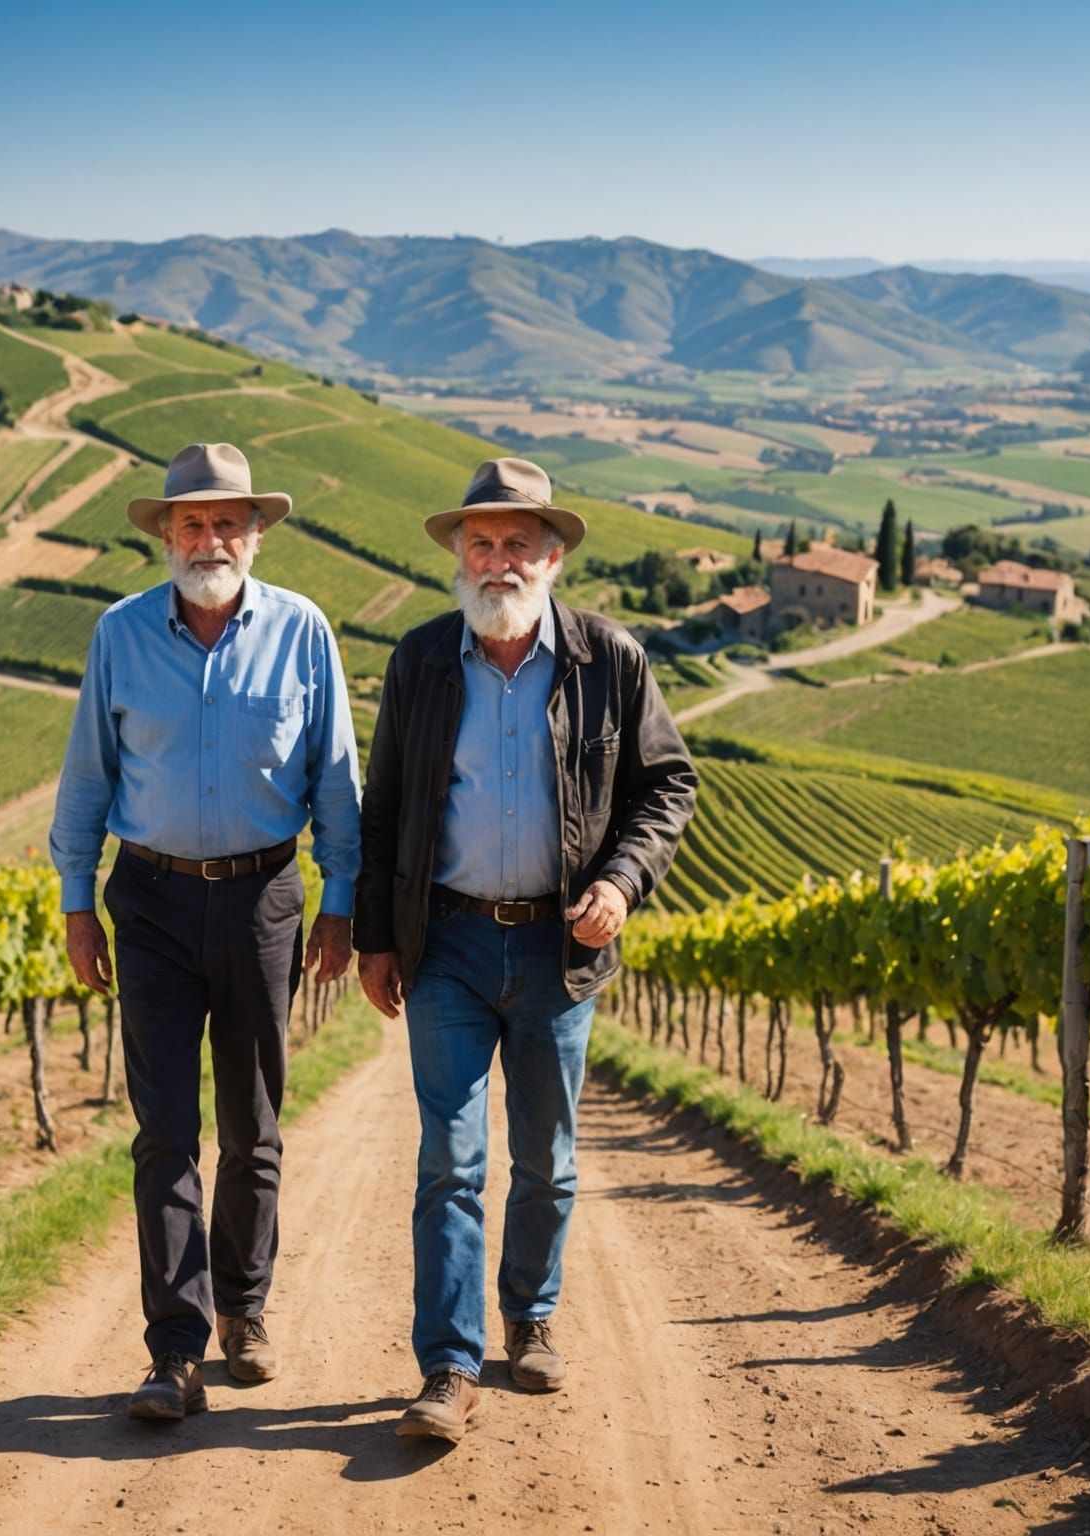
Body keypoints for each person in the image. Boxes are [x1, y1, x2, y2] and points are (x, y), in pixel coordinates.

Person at [355, 457, 697, 1443]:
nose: (497, 560)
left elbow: (667, 789)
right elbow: (385, 813)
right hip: (449, 944)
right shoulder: (420, 662)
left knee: (546, 1160)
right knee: (449, 1161)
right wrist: (378, 936)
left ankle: (531, 1315)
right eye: (481, 543)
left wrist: (623, 882)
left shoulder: (611, 660)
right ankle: (449, 1367)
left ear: (552, 556)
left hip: (560, 949)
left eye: (516, 543)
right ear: (460, 556)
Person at [51, 441, 361, 1420]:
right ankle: (174, 1352)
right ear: (166, 535)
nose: (211, 538)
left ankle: (245, 1316)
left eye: (229, 522)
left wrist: (340, 898)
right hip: (146, 902)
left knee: (254, 1129)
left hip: (267, 898)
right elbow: (89, 777)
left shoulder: (304, 632)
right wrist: (75, 899)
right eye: (194, 522)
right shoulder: (120, 635)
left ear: (256, 534)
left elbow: (336, 780)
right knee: (164, 1136)